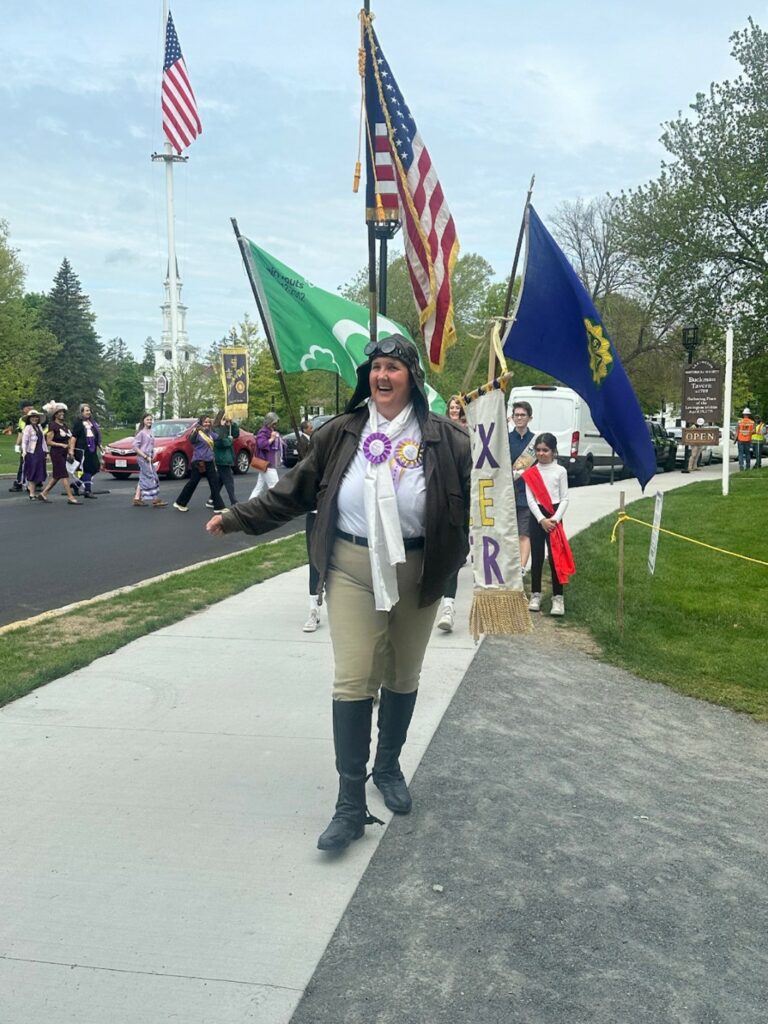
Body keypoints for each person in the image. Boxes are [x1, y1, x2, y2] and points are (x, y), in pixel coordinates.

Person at [205, 334, 471, 852]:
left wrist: (465, 555)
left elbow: (477, 509)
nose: (383, 376)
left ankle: (387, 766)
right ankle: (349, 805)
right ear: (366, 378)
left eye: (394, 367)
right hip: (352, 564)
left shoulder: (448, 439)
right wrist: (238, 517)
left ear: (413, 377)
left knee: (402, 672)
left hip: (418, 569)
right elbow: (295, 490)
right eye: (376, 368)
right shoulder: (342, 432)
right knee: (353, 675)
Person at [523, 432, 575, 617]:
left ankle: (558, 597)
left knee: (555, 558)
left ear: (553, 451)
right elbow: (530, 499)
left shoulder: (560, 471)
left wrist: (554, 519)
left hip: (554, 516)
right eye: (538, 450)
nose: (541, 453)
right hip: (537, 517)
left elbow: (565, 498)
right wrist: (541, 519)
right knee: (536, 557)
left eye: (545, 450)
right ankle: (535, 594)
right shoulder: (531, 472)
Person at [436, 396, 467, 633]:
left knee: (454, 556)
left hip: (458, 505)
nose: (454, 410)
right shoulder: (438, 432)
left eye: (458, 407)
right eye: (452, 407)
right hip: (435, 503)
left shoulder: (469, 436)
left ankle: (448, 606)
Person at [298, 418, 323, 633]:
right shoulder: (306, 466)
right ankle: (313, 609)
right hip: (314, 516)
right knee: (314, 562)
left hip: (336, 519)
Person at [173, 415, 225, 512]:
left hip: (209, 461)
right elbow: (191, 440)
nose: (207, 424)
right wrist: (196, 430)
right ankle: (180, 503)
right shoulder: (198, 432)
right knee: (193, 482)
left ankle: (219, 507)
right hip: (199, 462)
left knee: (214, 483)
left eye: (209, 422)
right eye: (205, 422)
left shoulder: (210, 433)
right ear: (201, 423)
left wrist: (222, 426)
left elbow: (219, 437)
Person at [508, 400, 536, 574]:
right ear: (512, 417)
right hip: (508, 492)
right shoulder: (505, 439)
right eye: (516, 415)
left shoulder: (535, 441)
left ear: (529, 418)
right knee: (508, 533)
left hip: (527, 493)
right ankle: (509, 565)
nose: (519, 418)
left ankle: (522, 568)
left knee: (524, 533)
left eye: (522, 415)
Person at [40, 403, 81, 504]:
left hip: (64, 453)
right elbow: (48, 441)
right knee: (64, 475)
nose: (62, 414)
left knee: (57, 475)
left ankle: (44, 493)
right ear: (55, 415)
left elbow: (70, 438)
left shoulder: (65, 426)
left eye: (62, 412)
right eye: (59, 412)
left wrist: (70, 450)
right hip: (56, 453)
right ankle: (70, 497)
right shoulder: (53, 425)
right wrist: (61, 445)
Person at [132, 413, 167, 507]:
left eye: (151, 420)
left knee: (143, 477)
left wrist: (152, 455)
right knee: (151, 476)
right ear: (143, 420)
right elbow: (135, 447)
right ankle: (155, 499)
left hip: (149, 457)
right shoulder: (141, 433)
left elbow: (151, 445)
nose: (149, 421)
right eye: (147, 419)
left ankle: (137, 498)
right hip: (143, 458)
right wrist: (144, 456)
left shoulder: (151, 431)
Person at [249, 411, 283, 499]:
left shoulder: (269, 431)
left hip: (266, 463)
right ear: (269, 422)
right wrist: (272, 438)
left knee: (259, 487)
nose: (276, 425)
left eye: (276, 423)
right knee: (275, 487)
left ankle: (250, 504)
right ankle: (275, 507)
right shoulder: (263, 432)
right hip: (267, 463)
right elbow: (261, 444)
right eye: (274, 423)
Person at [71, 403, 103, 499]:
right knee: (88, 469)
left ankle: (76, 484)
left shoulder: (92, 423)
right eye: (86, 411)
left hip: (92, 449)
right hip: (82, 450)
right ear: (81, 412)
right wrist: (71, 450)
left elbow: (95, 436)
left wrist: (100, 446)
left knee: (95, 467)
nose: (89, 412)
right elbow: (73, 437)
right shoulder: (78, 423)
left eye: (89, 410)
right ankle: (87, 491)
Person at [210, 411, 240, 507]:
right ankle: (234, 501)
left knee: (221, 479)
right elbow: (220, 442)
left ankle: (212, 498)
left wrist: (232, 424)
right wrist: (229, 440)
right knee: (229, 479)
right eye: (224, 418)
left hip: (227, 456)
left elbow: (236, 434)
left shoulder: (227, 427)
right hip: (221, 457)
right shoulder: (215, 429)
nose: (226, 420)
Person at [20, 409, 48, 501]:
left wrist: (46, 452)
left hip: (40, 452)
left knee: (39, 471)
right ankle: (31, 493)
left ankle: (33, 490)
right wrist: (24, 451)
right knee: (32, 471)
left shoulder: (39, 427)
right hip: (32, 452)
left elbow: (43, 441)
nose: (34, 419)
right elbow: (24, 441)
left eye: (36, 417)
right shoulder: (28, 428)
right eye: (32, 417)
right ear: (29, 418)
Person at [9, 401, 33, 492]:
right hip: (25, 445)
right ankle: (22, 481)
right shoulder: (22, 419)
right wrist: (17, 444)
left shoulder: (38, 418)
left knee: (32, 464)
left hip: (34, 444)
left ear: (26, 408)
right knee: (23, 464)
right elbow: (21, 433)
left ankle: (22, 483)